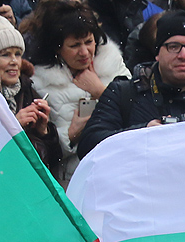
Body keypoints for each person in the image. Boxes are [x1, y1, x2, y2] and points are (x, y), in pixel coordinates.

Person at [75, 11, 185, 156]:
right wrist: (142, 134)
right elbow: (88, 145)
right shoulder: (123, 94)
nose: (183, 55)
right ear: (157, 53)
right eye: (173, 46)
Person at [27, 0, 129, 185]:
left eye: (89, 42)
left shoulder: (113, 64)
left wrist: (101, 91)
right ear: (56, 48)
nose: (84, 52)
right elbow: (40, 150)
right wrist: (69, 137)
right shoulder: (40, 83)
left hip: (117, 173)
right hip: (72, 181)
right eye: (74, 45)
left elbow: (136, 113)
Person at [0, 15, 64, 180]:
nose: (14, 61)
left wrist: (44, 131)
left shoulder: (29, 90)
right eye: (5, 54)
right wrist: (14, 125)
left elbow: (55, 159)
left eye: (18, 54)